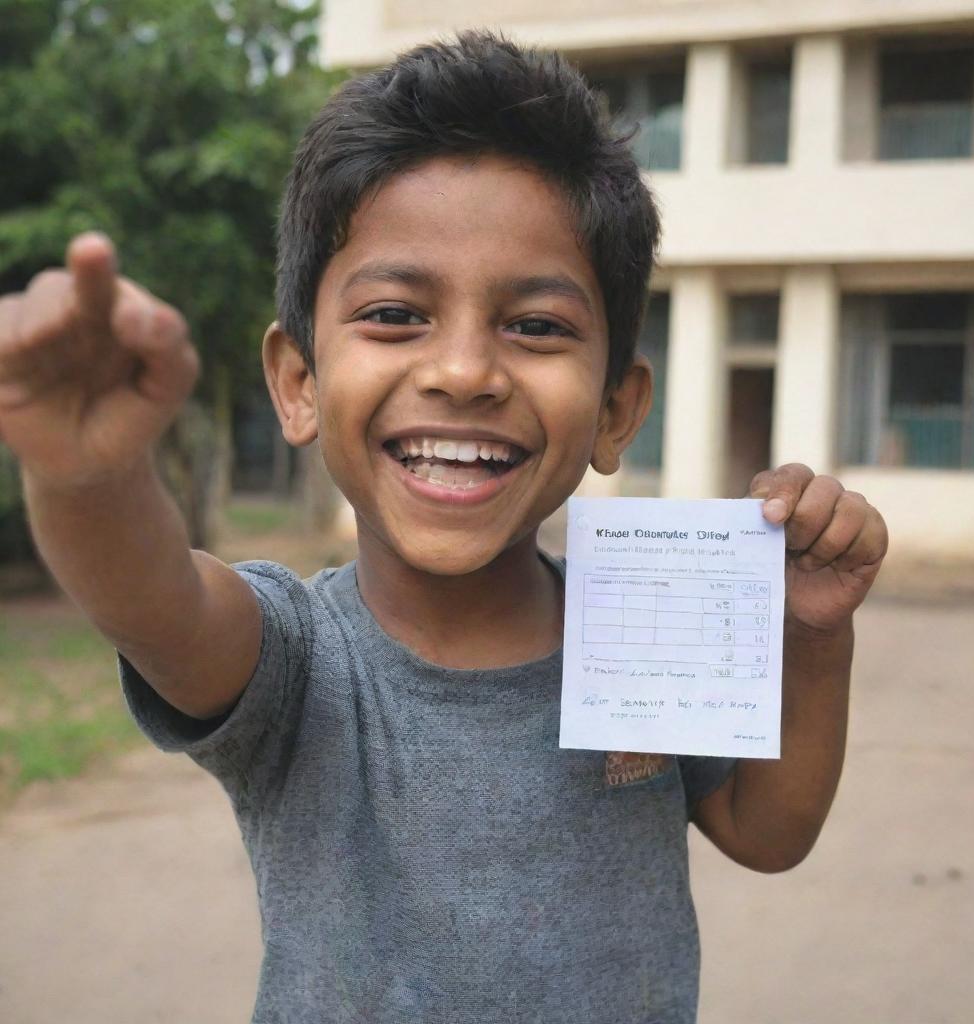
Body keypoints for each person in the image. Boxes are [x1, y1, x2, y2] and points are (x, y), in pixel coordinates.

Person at [0, 31, 887, 1024]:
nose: (464, 371)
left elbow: (767, 832)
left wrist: (813, 635)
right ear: (298, 382)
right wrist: (85, 475)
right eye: (394, 314)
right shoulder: (288, 655)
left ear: (614, 410)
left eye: (537, 326)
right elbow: (151, 598)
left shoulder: (646, 621)